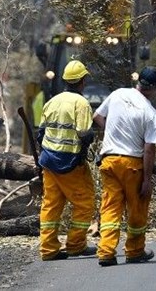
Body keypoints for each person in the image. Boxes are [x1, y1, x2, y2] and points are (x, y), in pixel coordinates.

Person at [92, 66, 156, 267]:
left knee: (110, 208)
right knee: (137, 208)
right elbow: (149, 149)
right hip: (132, 165)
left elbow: (97, 116)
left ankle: (106, 252)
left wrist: (113, 132)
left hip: (109, 161)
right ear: (155, 88)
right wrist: (147, 181)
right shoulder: (150, 113)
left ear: (138, 82)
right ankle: (134, 251)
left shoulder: (118, 94)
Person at [36, 60, 97, 261]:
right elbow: (83, 133)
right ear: (82, 81)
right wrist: (91, 137)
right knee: (85, 202)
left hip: (49, 162)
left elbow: (41, 132)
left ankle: (48, 249)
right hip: (70, 164)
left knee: (51, 205)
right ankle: (75, 245)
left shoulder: (52, 101)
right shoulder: (81, 104)